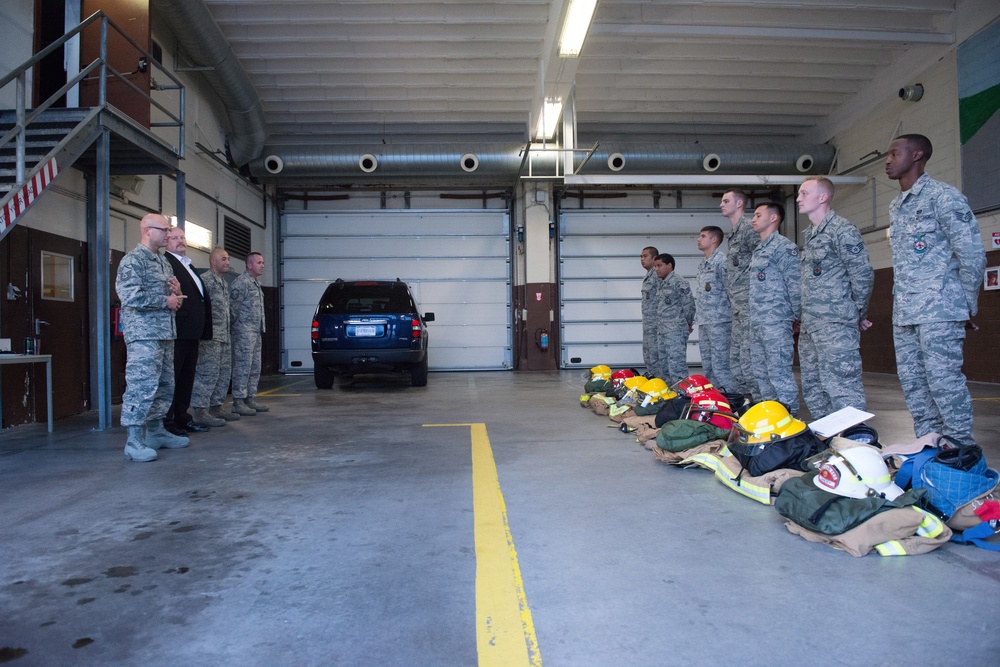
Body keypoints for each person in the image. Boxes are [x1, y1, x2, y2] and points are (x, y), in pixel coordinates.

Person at [885, 133, 985, 446]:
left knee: (944, 383)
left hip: (940, 310)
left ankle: (960, 448)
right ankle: (929, 444)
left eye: (894, 153)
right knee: (914, 384)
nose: (888, 161)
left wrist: (966, 304)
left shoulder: (944, 197)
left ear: (916, 155)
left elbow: (971, 254)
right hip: (905, 313)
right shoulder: (896, 206)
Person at [796, 177, 874, 419]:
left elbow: (862, 275)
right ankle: (828, 440)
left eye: (804, 193)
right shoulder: (809, 235)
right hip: (811, 324)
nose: (798, 198)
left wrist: (856, 312)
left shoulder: (842, 230)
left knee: (842, 388)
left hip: (835, 324)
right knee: (813, 386)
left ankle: (852, 442)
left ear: (823, 197)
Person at [115, 213, 188, 462]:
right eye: (165, 230)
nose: (168, 235)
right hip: (144, 336)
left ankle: (156, 432)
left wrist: (176, 294)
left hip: (165, 333)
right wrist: (164, 301)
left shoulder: (162, 261)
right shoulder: (132, 261)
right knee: (141, 386)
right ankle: (134, 440)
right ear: (148, 230)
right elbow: (130, 296)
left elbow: (168, 294)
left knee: (165, 385)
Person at [748, 202, 800, 415]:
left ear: (773, 218)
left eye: (758, 215)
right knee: (761, 375)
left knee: (779, 375)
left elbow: (795, 284)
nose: (753, 219)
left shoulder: (784, 247)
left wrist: (797, 316)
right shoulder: (758, 249)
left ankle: (791, 420)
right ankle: (771, 418)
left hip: (776, 322)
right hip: (758, 321)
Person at [163, 227, 213, 434]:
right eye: (174, 238)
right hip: (177, 330)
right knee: (172, 377)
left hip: (192, 331)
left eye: (182, 237)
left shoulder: (187, 264)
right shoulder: (166, 263)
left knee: (186, 377)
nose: (180, 241)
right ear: (165, 241)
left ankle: (183, 417)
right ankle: (167, 422)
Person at [191, 247, 237, 427]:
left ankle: (216, 406)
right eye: (223, 259)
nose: (227, 262)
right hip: (210, 337)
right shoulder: (205, 282)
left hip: (224, 336)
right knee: (206, 373)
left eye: (228, 259)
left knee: (223, 373)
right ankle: (200, 411)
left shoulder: (223, 283)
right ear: (213, 262)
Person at [721, 190, 759, 399]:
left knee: (750, 358)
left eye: (726, 201)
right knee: (738, 360)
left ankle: (757, 402)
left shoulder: (748, 229)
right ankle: (745, 400)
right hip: (737, 306)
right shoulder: (734, 233)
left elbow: (762, 262)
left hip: (750, 305)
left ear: (739, 203)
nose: (721, 204)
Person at [694, 226, 736, 391]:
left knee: (721, 365)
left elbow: (730, 290)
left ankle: (733, 398)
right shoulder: (703, 264)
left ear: (714, 239)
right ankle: (716, 399)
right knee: (708, 365)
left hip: (720, 321)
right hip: (705, 321)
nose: (699, 239)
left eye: (703, 236)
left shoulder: (722, 262)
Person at [230, 251, 268, 416]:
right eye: (259, 263)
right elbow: (233, 309)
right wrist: (236, 329)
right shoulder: (241, 283)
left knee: (254, 366)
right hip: (243, 331)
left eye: (263, 263)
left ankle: (249, 398)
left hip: (255, 331)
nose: (262, 266)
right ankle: (238, 400)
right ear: (249, 265)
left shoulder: (255, 283)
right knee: (242, 366)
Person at [653, 253, 695, 385]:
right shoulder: (661, 283)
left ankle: (681, 395)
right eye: (655, 266)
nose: (656, 269)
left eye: (659, 266)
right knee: (664, 365)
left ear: (669, 265)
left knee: (676, 365)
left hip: (675, 330)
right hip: (662, 330)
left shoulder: (679, 282)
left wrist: (687, 323)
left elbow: (689, 306)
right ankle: (669, 395)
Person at [640, 245, 660, 375]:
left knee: (655, 356)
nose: (642, 259)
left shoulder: (657, 276)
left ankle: (659, 383)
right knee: (648, 355)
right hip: (648, 324)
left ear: (654, 258)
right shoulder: (648, 276)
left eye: (645, 256)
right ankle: (652, 381)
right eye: (641, 257)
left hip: (657, 324)